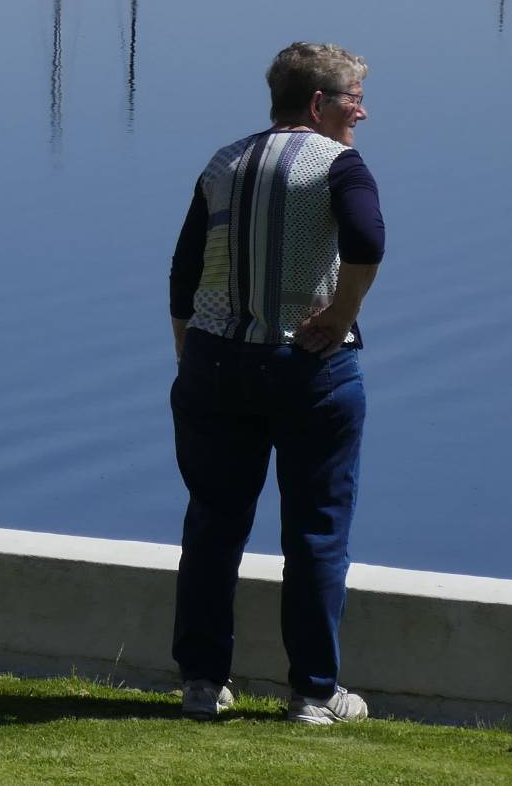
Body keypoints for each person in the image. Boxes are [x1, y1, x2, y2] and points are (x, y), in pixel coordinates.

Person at [169, 42, 383, 725]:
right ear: (318, 103)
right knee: (317, 530)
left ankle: (202, 684)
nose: (362, 112)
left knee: (212, 525)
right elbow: (368, 240)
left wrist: (191, 358)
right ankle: (314, 694)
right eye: (353, 99)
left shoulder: (224, 162)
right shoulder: (336, 163)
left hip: (214, 363)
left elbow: (182, 273)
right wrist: (343, 314)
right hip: (309, 370)